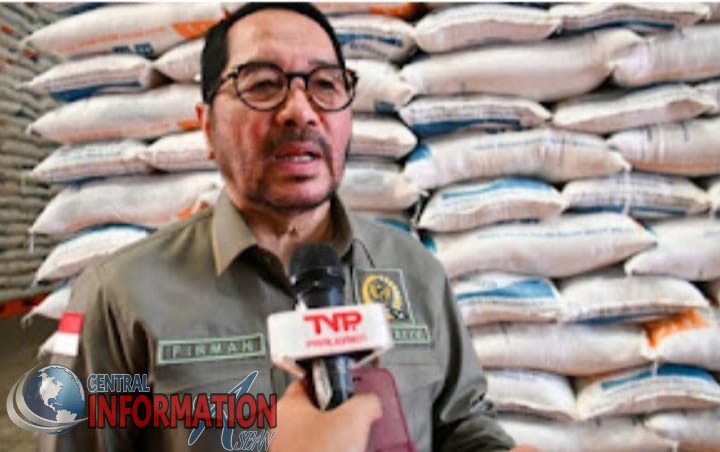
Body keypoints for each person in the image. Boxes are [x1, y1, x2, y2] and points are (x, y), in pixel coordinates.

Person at [40, 3, 522, 451]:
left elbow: (463, 426)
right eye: (263, 85)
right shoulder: (116, 296)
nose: (301, 111)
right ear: (207, 127)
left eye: (325, 84)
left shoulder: (415, 272)